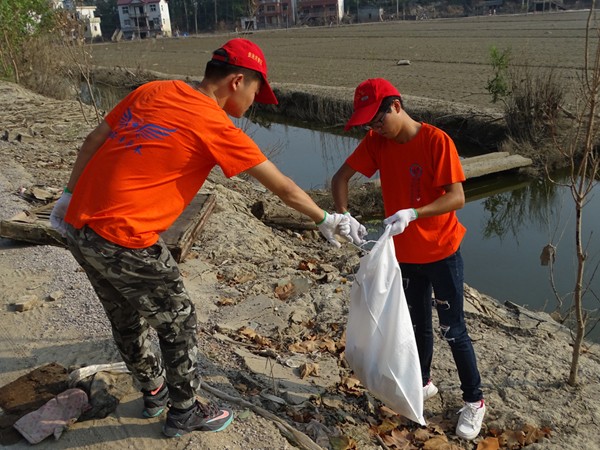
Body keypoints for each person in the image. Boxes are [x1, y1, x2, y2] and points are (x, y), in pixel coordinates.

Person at [49, 38, 350, 438]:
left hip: (80, 226)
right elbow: (283, 188)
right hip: (125, 238)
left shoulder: (151, 91)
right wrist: (326, 217)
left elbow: (93, 141)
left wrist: (68, 196)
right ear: (237, 81)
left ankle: (153, 391)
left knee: (124, 313)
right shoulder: (214, 123)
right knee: (180, 321)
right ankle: (185, 411)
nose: (255, 102)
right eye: (257, 92)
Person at [331, 78, 486, 441]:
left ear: (396, 106)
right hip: (406, 256)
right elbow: (341, 178)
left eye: (377, 119)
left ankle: (475, 401)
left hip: (442, 252)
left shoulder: (436, 141)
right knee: (417, 326)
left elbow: (457, 197)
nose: (374, 128)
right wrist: (343, 216)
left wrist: (414, 213)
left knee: (454, 330)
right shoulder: (377, 143)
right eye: (368, 124)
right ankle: (424, 382)